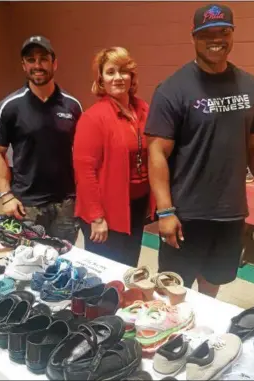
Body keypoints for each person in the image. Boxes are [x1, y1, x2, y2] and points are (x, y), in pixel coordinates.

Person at [145, 4, 254, 297]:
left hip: (230, 213)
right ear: (194, 38)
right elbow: (157, 153)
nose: (216, 39)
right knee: (173, 290)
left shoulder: (250, 86)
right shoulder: (173, 89)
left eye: (223, 32)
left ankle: (203, 335)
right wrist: (165, 210)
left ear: (232, 35)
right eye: (207, 34)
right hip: (186, 214)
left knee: (213, 282)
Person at [0, 35, 82, 244]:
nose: (37, 65)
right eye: (31, 60)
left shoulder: (72, 106)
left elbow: (83, 153)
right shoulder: (9, 106)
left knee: (65, 260)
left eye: (43, 59)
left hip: (66, 203)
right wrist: (6, 196)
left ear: (54, 63)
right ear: (24, 65)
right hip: (27, 205)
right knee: (30, 263)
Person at [73, 47, 151, 266]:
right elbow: (85, 172)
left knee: (128, 265)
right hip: (106, 209)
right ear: (101, 79)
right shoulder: (93, 118)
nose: (118, 77)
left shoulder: (143, 109)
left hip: (136, 205)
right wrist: (96, 217)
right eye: (110, 72)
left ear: (132, 76)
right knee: (106, 269)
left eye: (124, 71)